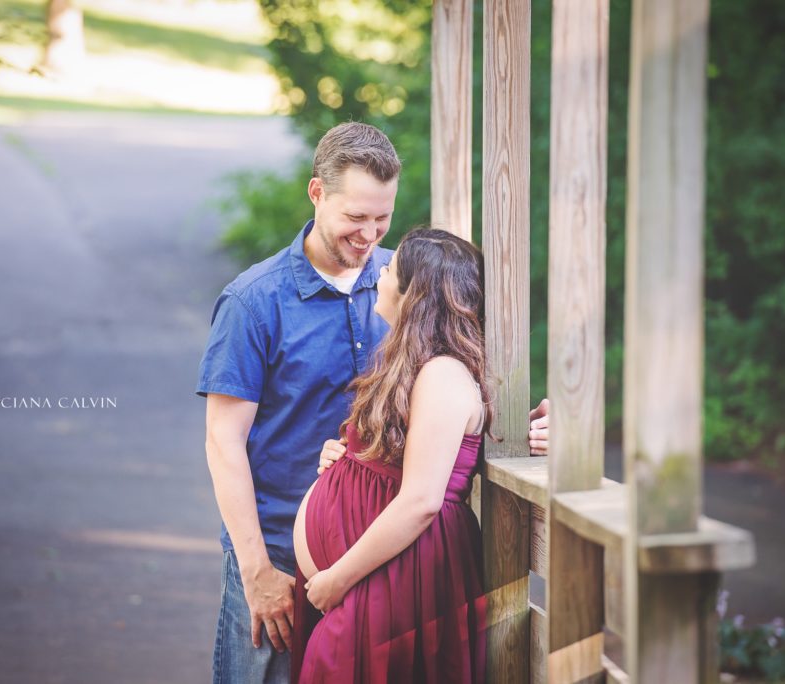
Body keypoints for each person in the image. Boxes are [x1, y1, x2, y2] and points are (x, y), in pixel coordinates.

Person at [197, 122, 550, 684]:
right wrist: (255, 567)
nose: (370, 235)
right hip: (279, 562)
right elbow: (223, 441)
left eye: (381, 217)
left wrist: (531, 429)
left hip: (379, 571)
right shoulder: (253, 302)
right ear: (317, 194)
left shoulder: (409, 285)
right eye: (355, 217)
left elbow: (459, 405)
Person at [290, 228, 494, 683]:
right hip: (373, 575)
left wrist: (337, 578)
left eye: (390, 268)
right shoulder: (418, 366)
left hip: (394, 577)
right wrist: (348, 459)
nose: (380, 272)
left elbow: (422, 500)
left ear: (414, 294)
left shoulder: (443, 374)